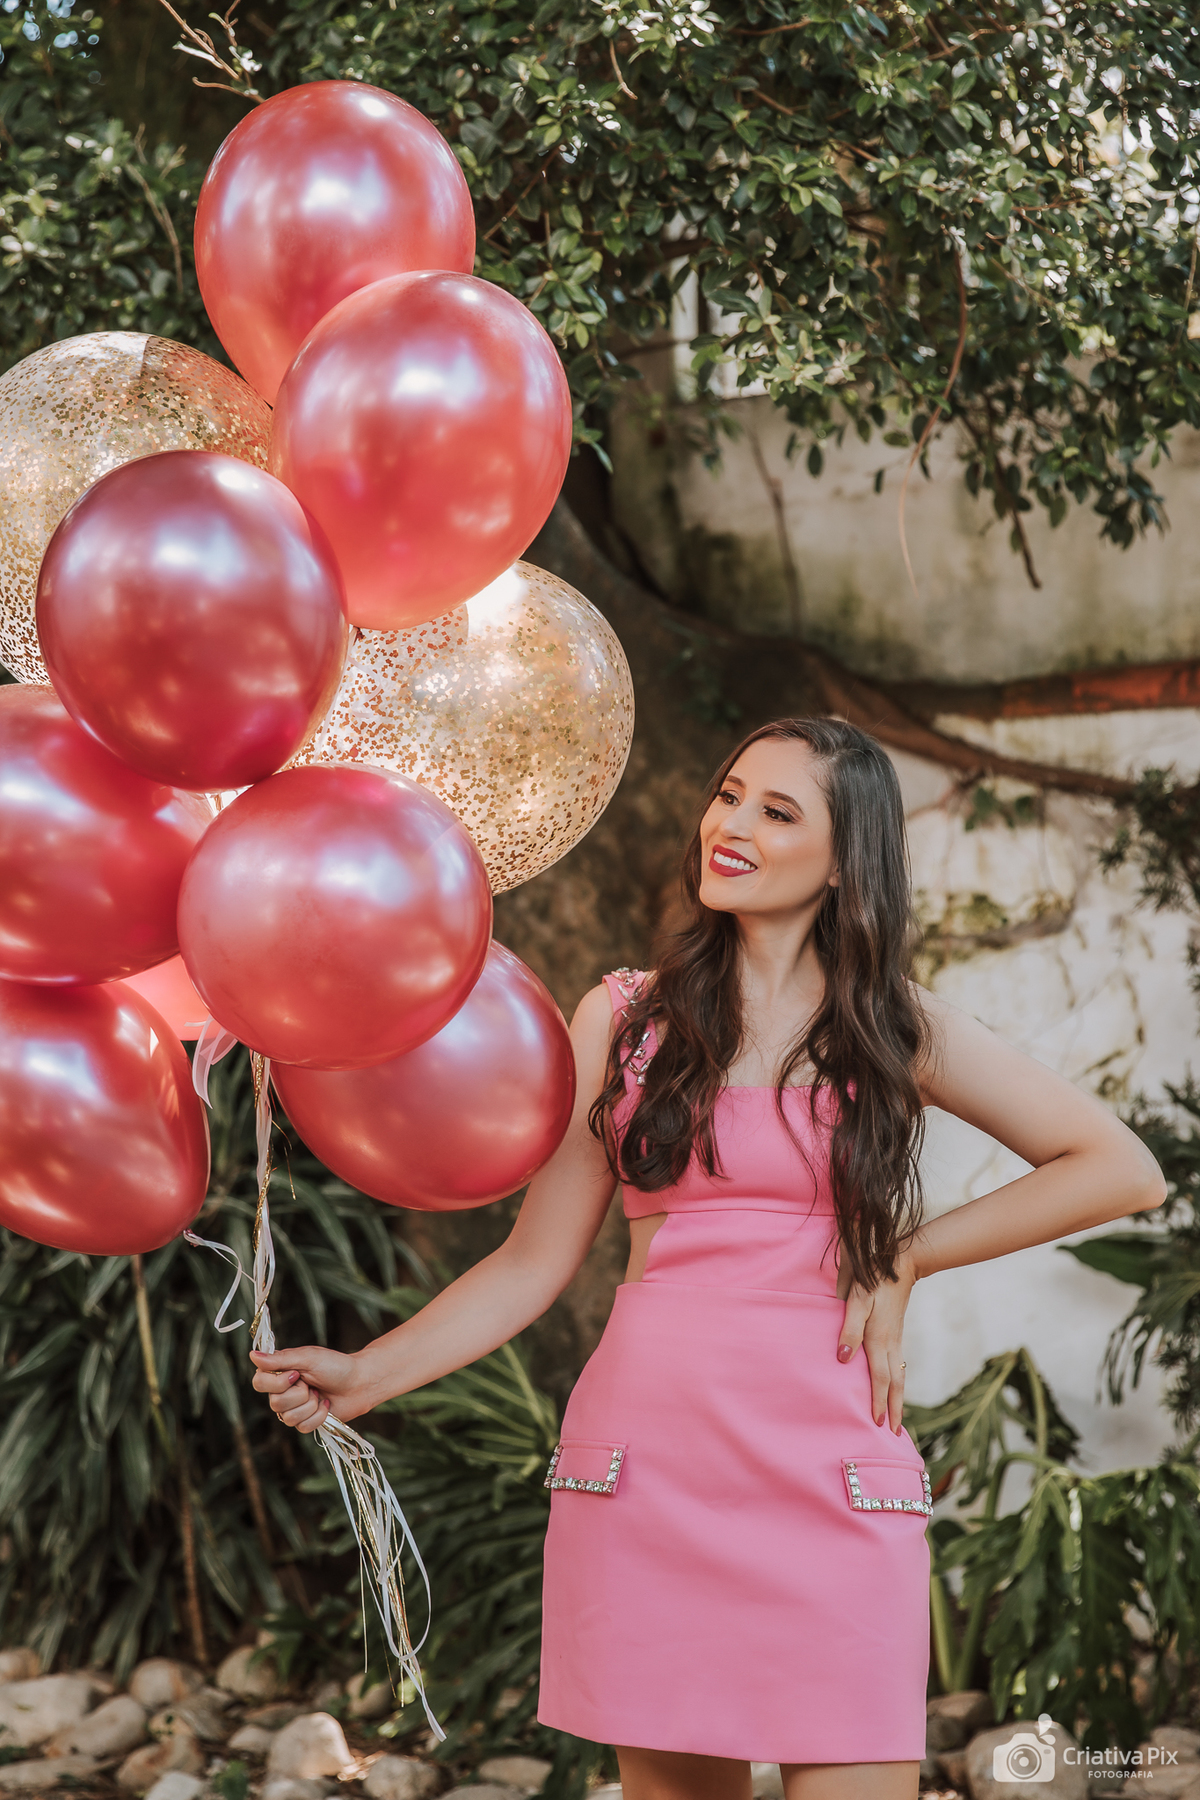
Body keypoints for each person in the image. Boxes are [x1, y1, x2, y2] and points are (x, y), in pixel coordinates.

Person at [251, 718, 1165, 1800]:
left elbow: (1118, 1168)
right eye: (728, 795)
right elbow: (532, 1262)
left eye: (777, 812)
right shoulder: (626, 1019)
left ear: (846, 861)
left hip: (832, 1475)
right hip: (652, 1473)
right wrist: (369, 1373)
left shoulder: (893, 1028)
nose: (730, 826)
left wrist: (908, 1257)